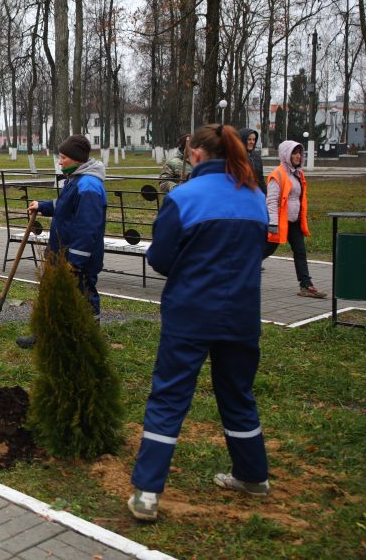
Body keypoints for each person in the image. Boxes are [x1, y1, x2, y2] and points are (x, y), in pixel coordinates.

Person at [128, 124, 270, 522]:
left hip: (191, 313)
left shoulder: (184, 198)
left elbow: (160, 259)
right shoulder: (255, 197)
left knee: (169, 398)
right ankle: (253, 477)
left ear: (197, 155)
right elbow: (261, 248)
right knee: (238, 395)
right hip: (242, 314)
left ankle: (147, 494)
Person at [17, 134, 107, 349]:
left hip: (77, 257)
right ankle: (47, 334)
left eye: (63, 157)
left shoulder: (90, 186)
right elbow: (65, 206)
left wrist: (76, 262)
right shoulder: (75, 179)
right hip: (59, 251)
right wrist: (43, 205)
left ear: (77, 160)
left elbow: (87, 228)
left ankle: (90, 339)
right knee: (51, 292)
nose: (60, 162)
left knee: (83, 295)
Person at [262, 140, 326, 298]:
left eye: (299, 153)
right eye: (294, 153)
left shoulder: (298, 173)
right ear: (286, 154)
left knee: (300, 251)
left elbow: (299, 198)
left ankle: (306, 285)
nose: (298, 156)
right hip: (279, 223)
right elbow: (271, 201)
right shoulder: (277, 174)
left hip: (294, 222)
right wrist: (273, 224)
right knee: (265, 251)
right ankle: (239, 271)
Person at [239, 128, 267, 192]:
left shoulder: (256, 157)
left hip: (256, 194)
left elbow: (261, 179)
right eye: (249, 139)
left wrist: (266, 194)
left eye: (254, 139)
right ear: (243, 140)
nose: (252, 142)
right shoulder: (237, 157)